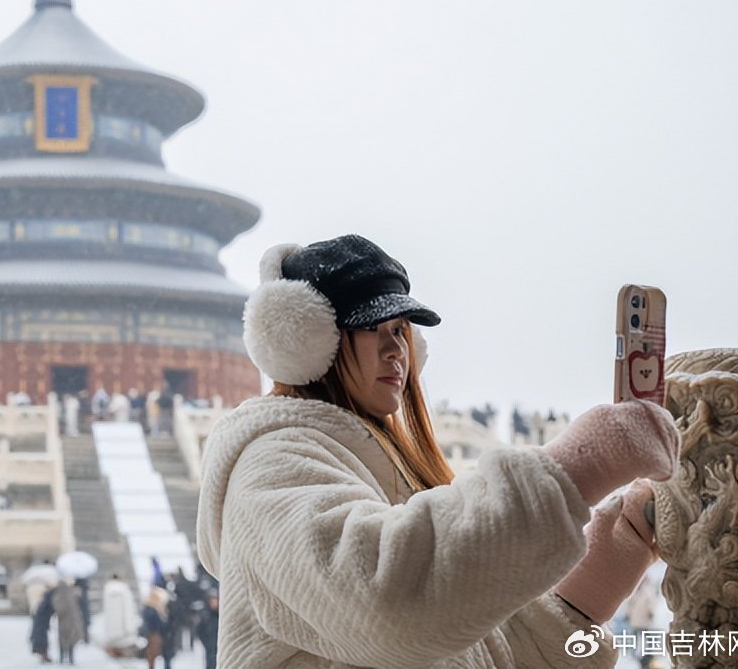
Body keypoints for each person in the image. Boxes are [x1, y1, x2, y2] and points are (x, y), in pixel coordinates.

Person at [195, 234, 682, 669]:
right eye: (374, 328)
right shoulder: (270, 464)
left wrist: (613, 555)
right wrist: (586, 462)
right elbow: (388, 600)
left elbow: (474, 648)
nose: (397, 352)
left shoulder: (372, 463)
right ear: (307, 340)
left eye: (401, 331)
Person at [100, 573, 139, 657]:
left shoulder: (107, 589)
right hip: (123, 625)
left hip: (112, 626)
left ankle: (115, 652)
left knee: (114, 643)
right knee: (124, 643)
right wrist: (129, 626)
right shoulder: (124, 589)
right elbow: (128, 608)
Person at [51, 578, 82, 664]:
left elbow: (58, 608)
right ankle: (70, 657)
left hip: (62, 621)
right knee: (70, 638)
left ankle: (62, 657)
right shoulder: (72, 594)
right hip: (71, 621)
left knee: (63, 639)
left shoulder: (58, 596)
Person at [140, 587, 172, 669]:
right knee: (152, 653)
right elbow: (158, 623)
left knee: (152, 654)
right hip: (154, 633)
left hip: (153, 633)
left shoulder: (149, 608)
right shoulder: (152, 609)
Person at [195, 591, 219, 669]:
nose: (214, 603)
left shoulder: (220, 615)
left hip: (219, 645)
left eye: (216, 600)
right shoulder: (205, 615)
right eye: (212, 601)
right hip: (210, 646)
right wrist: (206, 643)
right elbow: (199, 630)